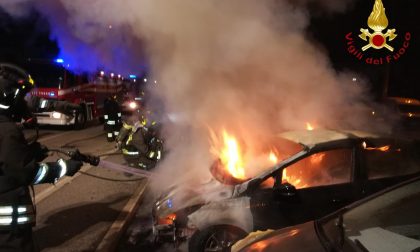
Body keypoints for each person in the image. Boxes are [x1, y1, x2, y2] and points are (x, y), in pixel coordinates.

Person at [0, 63, 83, 252]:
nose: (22, 102)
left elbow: (6, 162)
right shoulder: (7, 131)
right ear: (7, 96)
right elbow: (25, 173)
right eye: (20, 96)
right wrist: (64, 168)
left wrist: (29, 152)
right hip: (8, 232)